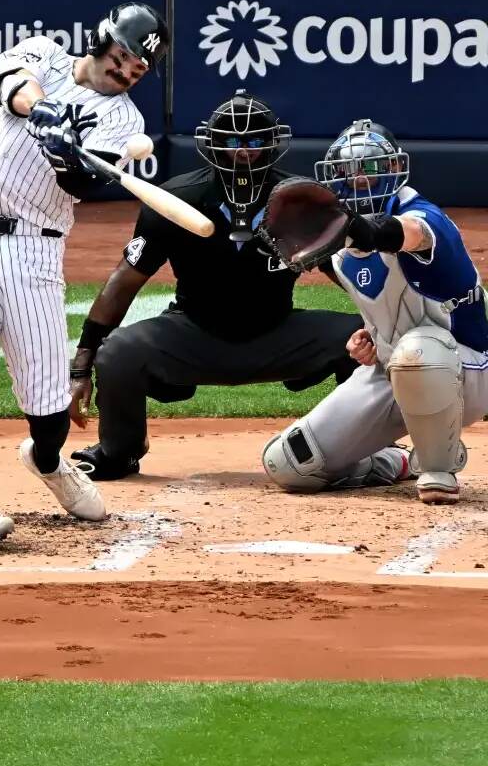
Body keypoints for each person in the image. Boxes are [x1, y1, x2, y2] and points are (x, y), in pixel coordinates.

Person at [0, 2, 169, 548]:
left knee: (48, 408)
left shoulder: (123, 121)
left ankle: (47, 460)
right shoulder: (43, 54)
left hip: (33, 256)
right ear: (103, 39)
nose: (127, 72)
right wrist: (44, 113)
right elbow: (6, 86)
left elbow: (82, 186)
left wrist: (69, 155)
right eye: (124, 57)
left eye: (138, 70)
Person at [66, 91, 363, 479]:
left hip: (280, 335)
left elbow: (349, 277)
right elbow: (124, 281)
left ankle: (367, 448)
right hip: (193, 334)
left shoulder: (300, 200)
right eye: (233, 141)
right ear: (213, 144)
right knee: (118, 353)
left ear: (273, 143)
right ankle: (119, 450)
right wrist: (81, 366)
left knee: (365, 335)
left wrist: (395, 324)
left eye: (255, 141)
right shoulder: (177, 198)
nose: (244, 152)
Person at [260, 119, 488, 504]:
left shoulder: (425, 218)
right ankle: (397, 463)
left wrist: (362, 230)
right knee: (291, 463)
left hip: (465, 373)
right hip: (392, 372)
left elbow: (399, 234)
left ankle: (439, 466)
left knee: (418, 354)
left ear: (394, 171)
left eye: (369, 169)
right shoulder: (342, 250)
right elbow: (387, 305)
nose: (358, 179)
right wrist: (373, 336)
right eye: (348, 172)